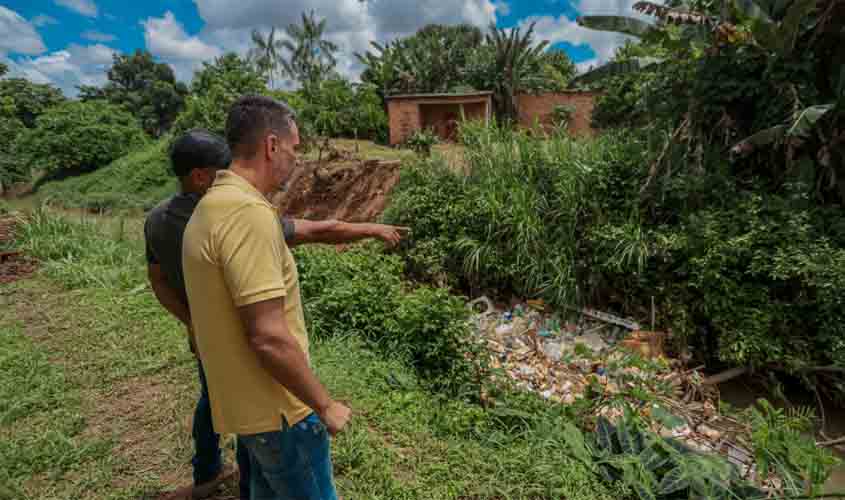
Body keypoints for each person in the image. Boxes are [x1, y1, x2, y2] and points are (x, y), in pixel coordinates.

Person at [145, 128, 408, 499]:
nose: (297, 158)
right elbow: (267, 336)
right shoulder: (243, 216)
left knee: (249, 459)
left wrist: (194, 322)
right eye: (294, 148)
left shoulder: (177, 216)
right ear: (271, 146)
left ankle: (210, 474)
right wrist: (325, 405)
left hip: (227, 372)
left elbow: (157, 281)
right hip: (276, 402)